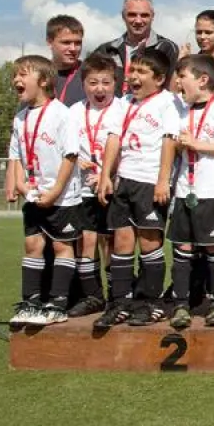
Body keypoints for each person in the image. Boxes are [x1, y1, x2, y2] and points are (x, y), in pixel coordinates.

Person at [95, 47, 181, 328]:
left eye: (142, 72)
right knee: (121, 242)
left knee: (149, 243)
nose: (134, 76)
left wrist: (162, 179)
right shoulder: (122, 103)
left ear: (159, 79)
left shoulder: (168, 102)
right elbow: (113, 137)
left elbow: (170, 141)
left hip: (149, 182)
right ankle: (120, 301)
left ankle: (150, 302)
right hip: (125, 180)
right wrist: (106, 174)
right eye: (133, 70)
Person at [167, 55, 214, 330]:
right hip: (184, 190)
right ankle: (181, 304)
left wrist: (197, 144)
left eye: (182, 76)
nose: (178, 82)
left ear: (202, 80)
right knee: (183, 249)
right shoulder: (179, 110)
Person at [7, 55, 82, 326]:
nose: (16, 79)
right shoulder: (20, 117)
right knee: (32, 244)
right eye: (15, 75)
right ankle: (31, 302)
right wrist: (19, 183)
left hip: (62, 195)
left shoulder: (63, 114)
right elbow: (15, 155)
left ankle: (58, 303)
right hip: (33, 193)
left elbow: (70, 155)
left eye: (22, 74)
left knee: (62, 245)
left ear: (44, 80)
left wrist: (56, 190)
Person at [64, 53, 126, 317]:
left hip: (116, 185)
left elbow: (128, 144)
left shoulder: (123, 108)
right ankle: (93, 295)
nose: (99, 89)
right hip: (82, 188)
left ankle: (116, 295)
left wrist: (107, 174)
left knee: (111, 241)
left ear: (115, 83)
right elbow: (64, 148)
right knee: (86, 240)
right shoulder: (73, 112)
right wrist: (78, 162)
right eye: (92, 83)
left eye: (105, 82)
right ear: (83, 84)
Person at [93, 0, 180, 94]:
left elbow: (172, 91)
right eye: (132, 15)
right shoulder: (106, 50)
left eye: (144, 15)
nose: (138, 21)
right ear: (123, 16)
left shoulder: (166, 48)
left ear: (152, 16)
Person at [46, 14, 87, 106]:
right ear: (49, 42)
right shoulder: (38, 76)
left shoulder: (90, 74)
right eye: (66, 42)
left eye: (77, 43)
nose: (73, 48)